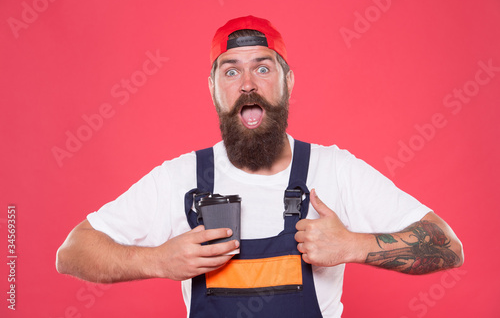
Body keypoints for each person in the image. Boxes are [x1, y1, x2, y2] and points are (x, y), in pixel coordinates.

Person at [56, 16, 464, 318]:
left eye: (262, 68)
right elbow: (72, 252)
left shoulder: (335, 169)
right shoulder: (177, 178)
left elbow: (447, 246)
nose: (247, 83)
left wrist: (352, 245)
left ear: (288, 80)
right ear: (213, 88)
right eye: (231, 70)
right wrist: (158, 261)